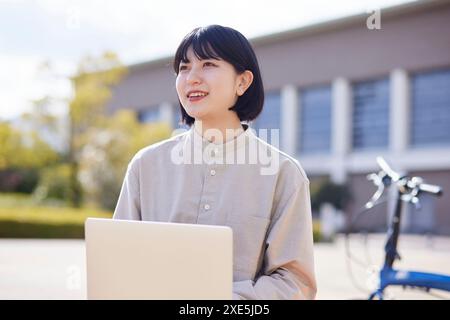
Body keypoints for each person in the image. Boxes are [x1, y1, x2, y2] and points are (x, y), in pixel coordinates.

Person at [113, 24, 317, 300]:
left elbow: (294, 284)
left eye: (208, 64)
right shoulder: (145, 165)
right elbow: (118, 264)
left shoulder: (282, 174)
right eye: (184, 68)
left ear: (243, 82)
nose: (191, 78)